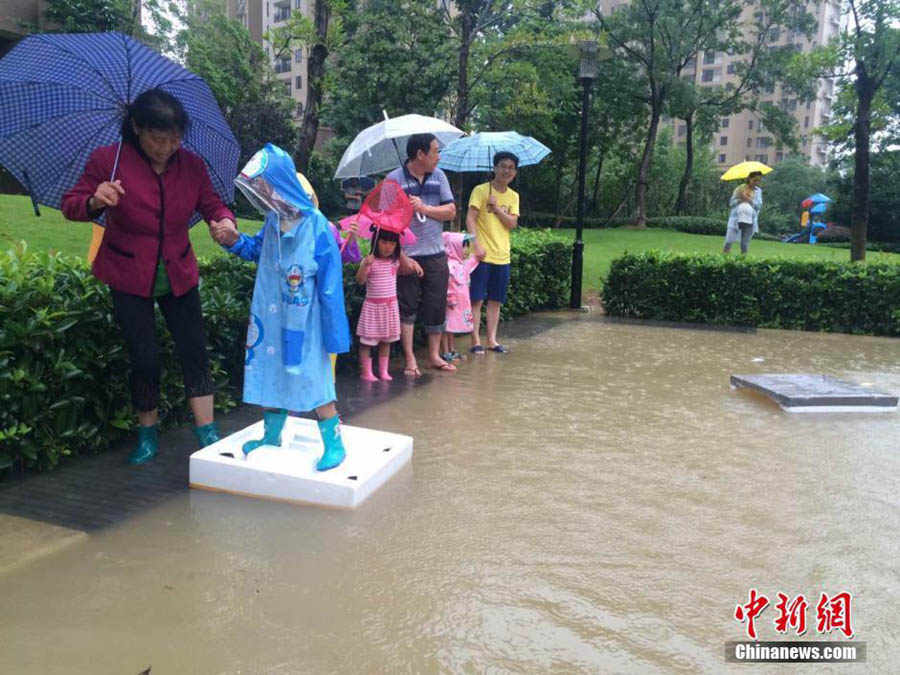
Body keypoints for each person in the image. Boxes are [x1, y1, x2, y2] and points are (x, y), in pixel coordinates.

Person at [61, 88, 236, 465]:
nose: (168, 147)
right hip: (128, 273)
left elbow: (213, 203)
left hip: (179, 271)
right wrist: (95, 200)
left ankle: (206, 431)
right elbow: (70, 206)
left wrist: (224, 222)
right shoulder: (108, 161)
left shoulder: (191, 165)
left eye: (175, 138)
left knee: (195, 351)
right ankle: (147, 433)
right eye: (159, 139)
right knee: (145, 360)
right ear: (137, 127)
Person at [210, 144, 351, 471]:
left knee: (312, 377)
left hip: (305, 322)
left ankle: (334, 442)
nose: (263, 194)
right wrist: (232, 241)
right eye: (258, 189)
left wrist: (335, 336)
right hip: (270, 317)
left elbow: (331, 288)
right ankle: (271, 435)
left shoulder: (317, 226)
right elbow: (256, 250)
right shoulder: (273, 222)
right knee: (271, 371)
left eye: (266, 186)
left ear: (283, 184)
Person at [385, 133, 457, 376]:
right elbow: (386, 224)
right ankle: (410, 357)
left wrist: (424, 207)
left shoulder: (439, 176)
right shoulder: (393, 180)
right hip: (408, 255)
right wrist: (401, 256)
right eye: (435, 151)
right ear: (420, 154)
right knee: (407, 308)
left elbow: (450, 211)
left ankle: (434, 355)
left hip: (435, 253)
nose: (438, 156)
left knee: (436, 306)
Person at [466, 151, 520, 354]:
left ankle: (492, 340)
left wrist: (497, 208)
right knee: (476, 299)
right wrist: (476, 245)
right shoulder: (480, 191)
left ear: (514, 172)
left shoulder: (514, 196)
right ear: (494, 168)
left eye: (511, 167)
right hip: (481, 255)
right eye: (503, 166)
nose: (506, 170)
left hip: (502, 255)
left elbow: (512, 223)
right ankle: (475, 341)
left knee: (496, 300)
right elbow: (470, 218)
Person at [356, 228, 402, 381]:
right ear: (376, 242)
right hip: (373, 308)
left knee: (386, 341)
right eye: (383, 242)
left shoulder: (395, 262)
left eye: (392, 243)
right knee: (367, 341)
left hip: (389, 308)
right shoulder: (370, 261)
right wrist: (364, 265)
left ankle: (383, 371)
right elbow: (360, 281)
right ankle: (365, 372)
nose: (388, 247)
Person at [440, 231, 479, 362]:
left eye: (467, 246)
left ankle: (452, 350)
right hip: (451, 303)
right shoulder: (450, 265)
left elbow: (475, 258)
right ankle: (445, 351)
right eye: (463, 246)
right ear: (453, 247)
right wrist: (450, 298)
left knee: (452, 327)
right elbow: (448, 284)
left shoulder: (462, 263)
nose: (466, 250)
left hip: (459, 303)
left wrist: (478, 247)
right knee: (446, 328)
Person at [723, 171, 763, 255]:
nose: (757, 183)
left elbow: (758, 206)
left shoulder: (758, 191)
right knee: (729, 241)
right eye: (755, 180)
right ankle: (724, 258)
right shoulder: (740, 188)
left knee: (744, 243)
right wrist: (740, 199)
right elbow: (731, 203)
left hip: (750, 220)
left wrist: (748, 199)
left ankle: (743, 262)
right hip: (736, 218)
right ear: (749, 178)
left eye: (759, 180)